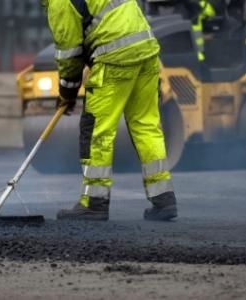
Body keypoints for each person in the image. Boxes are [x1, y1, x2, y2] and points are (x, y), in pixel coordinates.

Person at [41, 0, 178, 221]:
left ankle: (94, 203)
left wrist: (66, 93)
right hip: (147, 52)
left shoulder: (60, 3)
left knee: (97, 132)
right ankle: (164, 199)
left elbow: (69, 55)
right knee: (146, 127)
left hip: (114, 60)